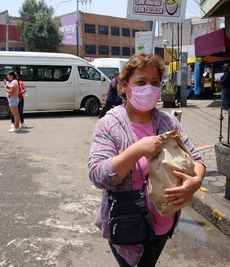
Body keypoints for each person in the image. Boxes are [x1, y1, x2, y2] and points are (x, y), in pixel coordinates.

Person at [88, 53, 206, 267]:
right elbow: (98, 175)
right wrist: (137, 150)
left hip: (164, 224)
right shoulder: (109, 124)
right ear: (125, 86)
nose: (149, 88)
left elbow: (196, 159)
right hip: (127, 228)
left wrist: (196, 181)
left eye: (155, 82)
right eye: (141, 82)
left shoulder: (168, 122)